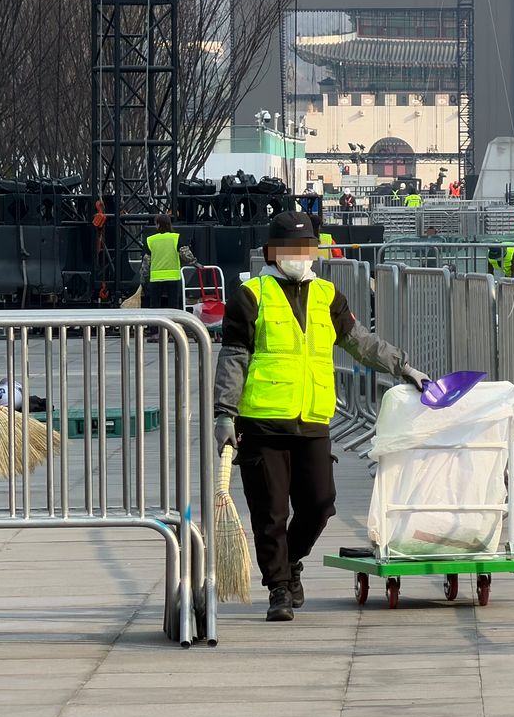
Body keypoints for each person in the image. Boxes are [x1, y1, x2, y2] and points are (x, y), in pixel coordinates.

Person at [213, 211, 429, 622]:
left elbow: (359, 342)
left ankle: (290, 562)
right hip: (262, 421)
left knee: (319, 504)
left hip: (312, 419)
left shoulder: (328, 295)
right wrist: (225, 413)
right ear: (272, 253)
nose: (299, 256)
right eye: (290, 249)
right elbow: (234, 358)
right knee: (270, 513)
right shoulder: (250, 296)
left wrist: (402, 367)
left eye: (305, 247)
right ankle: (279, 588)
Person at [140, 214, 197, 309]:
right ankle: (173, 323)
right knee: (173, 306)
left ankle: (154, 324)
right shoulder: (176, 237)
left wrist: (144, 277)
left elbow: (146, 261)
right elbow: (185, 253)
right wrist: (194, 262)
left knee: (154, 307)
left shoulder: (151, 240)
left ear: (158, 225)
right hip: (173, 278)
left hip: (156, 279)